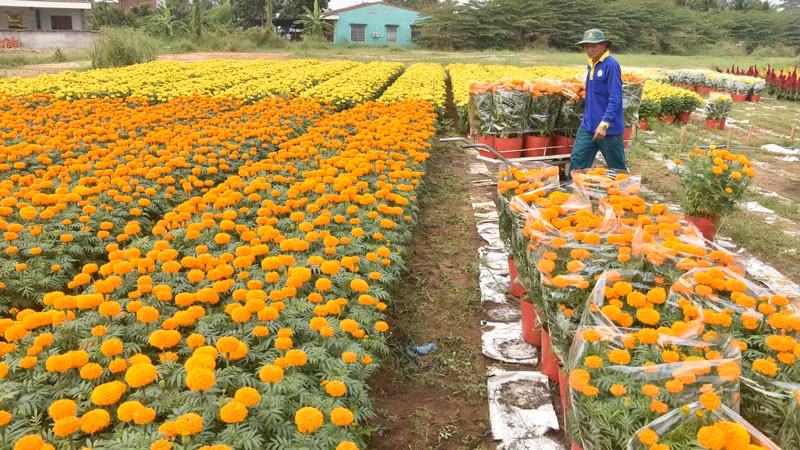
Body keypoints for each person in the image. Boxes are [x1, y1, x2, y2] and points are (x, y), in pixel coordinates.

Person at [569, 29, 626, 177]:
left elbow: (615, 98)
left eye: (593, 45)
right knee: (577, 161)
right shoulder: (591, 65)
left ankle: (624, 196)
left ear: (603, 45)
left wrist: (604, 124)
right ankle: (573, 195)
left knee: (616, 168)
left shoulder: (611, 65)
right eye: (586, 46)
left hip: (608, 129)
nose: (589, 49)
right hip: (588, 126)